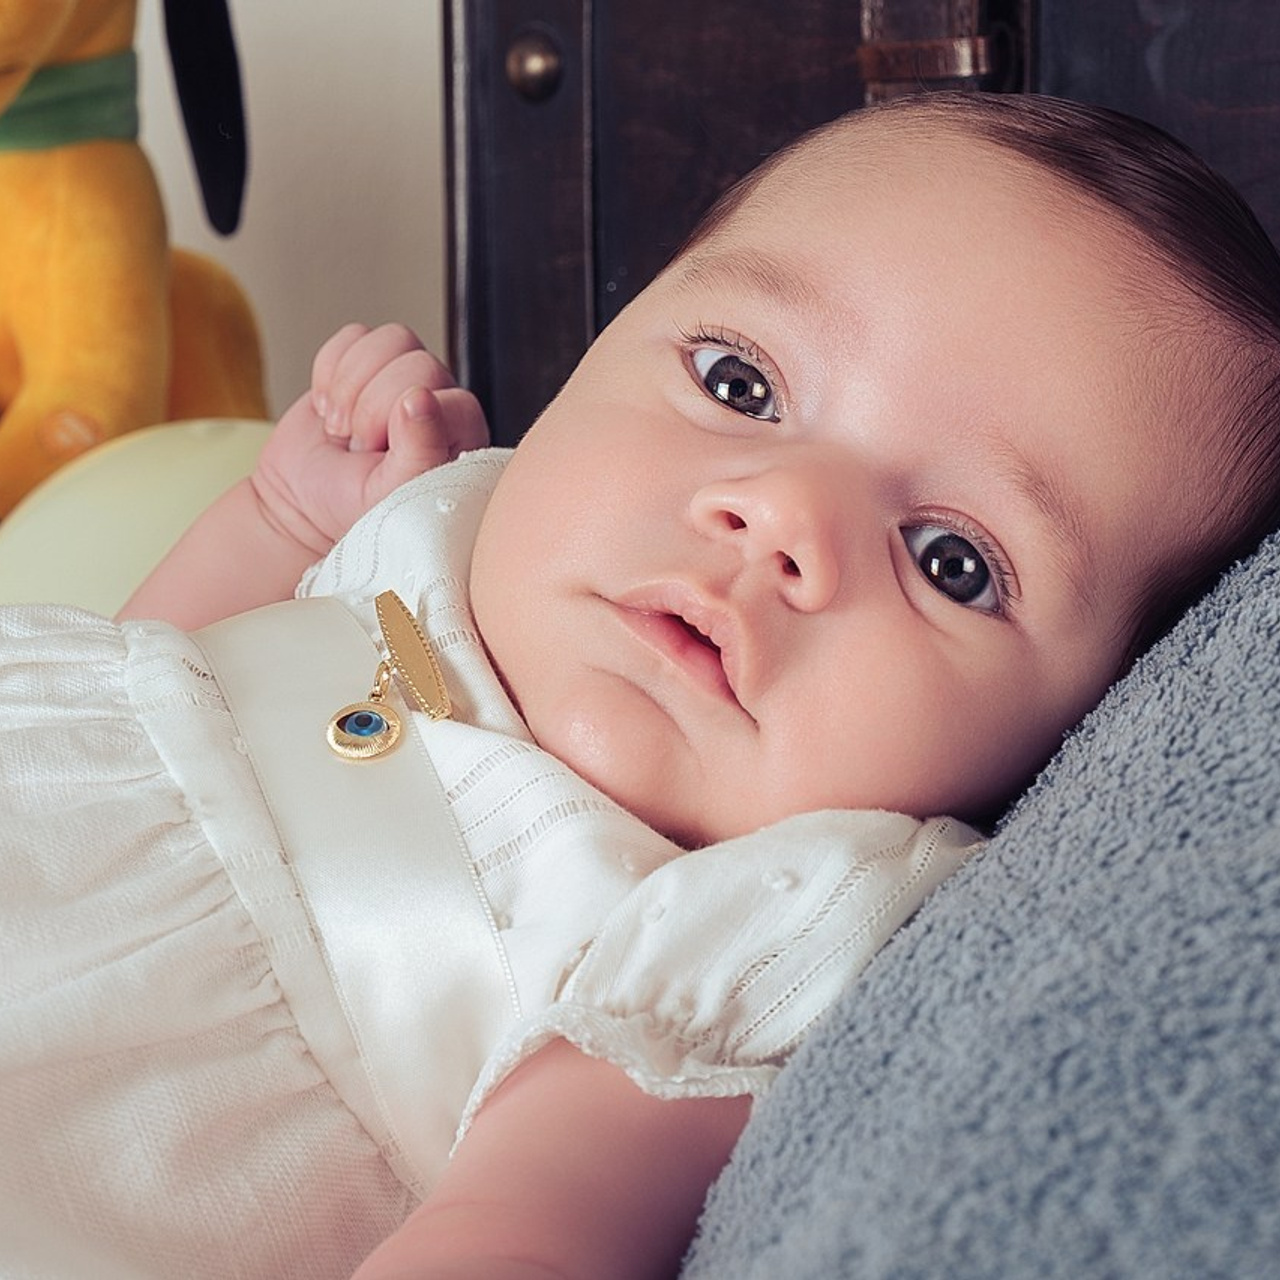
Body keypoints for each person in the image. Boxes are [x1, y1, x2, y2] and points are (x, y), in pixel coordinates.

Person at [2, 89, 1279, 1278]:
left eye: (951, 560)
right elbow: (130, 714)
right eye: (739, 382)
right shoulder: (458, 524)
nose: (777, 515)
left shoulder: (752, 925)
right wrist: (281, 514)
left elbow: (510, 1235)